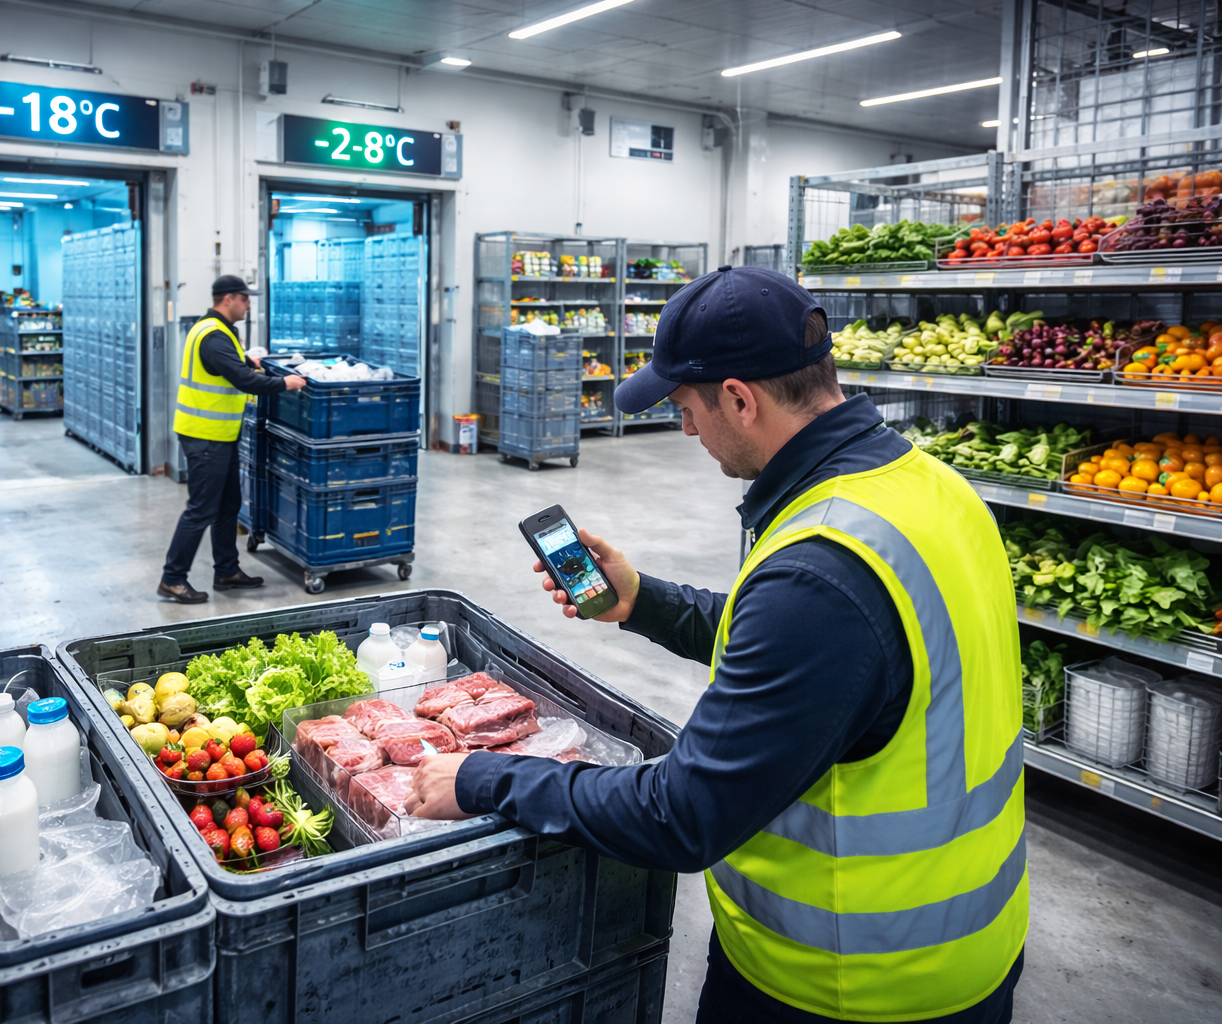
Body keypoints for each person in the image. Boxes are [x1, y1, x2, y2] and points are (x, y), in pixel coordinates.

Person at [405, 266, 1026, 1023]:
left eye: (688, 407)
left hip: (847, 982)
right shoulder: (925, 489)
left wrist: (484, 778)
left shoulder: (821, 571)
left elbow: (683, 813)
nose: (686, 428)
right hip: (965, 946)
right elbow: (835, 656)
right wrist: (645, 602)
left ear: (740, 397)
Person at [158, 275, 306, 604]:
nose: (249, 303)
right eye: (245, 298)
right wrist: (286, 384)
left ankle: (226, 570)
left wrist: (249, 361)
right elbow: (241, 379)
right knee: (200, 510)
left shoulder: (220, 330)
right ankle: (172, 578)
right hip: (204, 437)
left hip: (220, 435)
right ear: (228, 300)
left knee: (228, 505)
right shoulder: (213, 336)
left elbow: (234, 365)